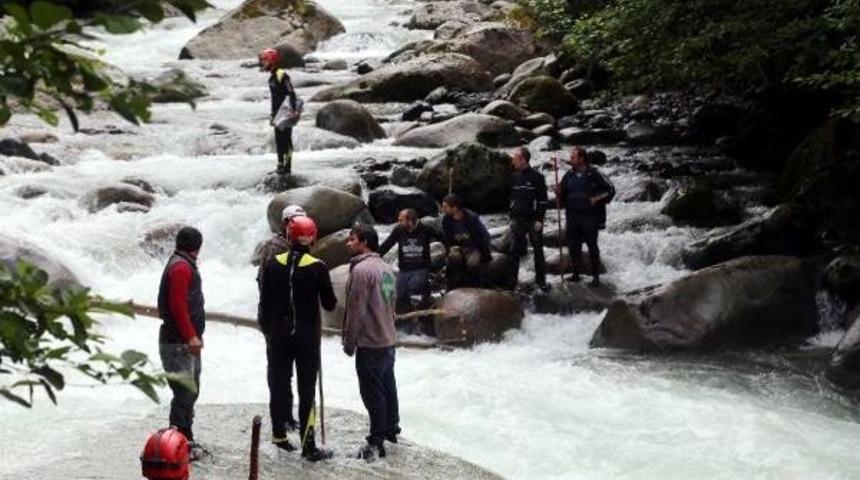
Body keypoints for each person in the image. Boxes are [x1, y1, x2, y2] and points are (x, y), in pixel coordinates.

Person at [259, 216, 337, 461]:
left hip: (278, 335)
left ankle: (279, 436)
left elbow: (264, 303)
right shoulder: (318, 267)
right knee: (306, 390)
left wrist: (268, 332)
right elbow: (330, 303)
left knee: (279, 384)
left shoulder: (272, 264)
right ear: (312, 238)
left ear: (289, 237)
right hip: (306, 336)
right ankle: (308, 444)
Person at [342, 224, 400, 461]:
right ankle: (391, 429)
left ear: (364, 241)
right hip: (388, 338)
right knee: (388, 386)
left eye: (352, 239)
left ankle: (376, 441)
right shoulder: (387, 268)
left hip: (371, 341)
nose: (348, 243)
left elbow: (356, 309)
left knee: (371, 391)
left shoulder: (362, 271)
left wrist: (349, 340)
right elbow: (392, 305)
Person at [254, 204, 306, 433]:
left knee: (288, 370)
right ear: (286, 223)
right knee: (279, 371)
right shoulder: (274, 247)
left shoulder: (297, 245)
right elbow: (265, 284)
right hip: (276, 319)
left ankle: (288, 414)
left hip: (292, 319)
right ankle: (281, 418)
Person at [157, 226, 205, 461]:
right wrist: (191, 336)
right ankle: (179, 440)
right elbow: (177, 305)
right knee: (184, 392)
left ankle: (185, 437)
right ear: (198, 247)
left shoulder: (179, 263)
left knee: (190, 390)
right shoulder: (181, 268)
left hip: (179, 340)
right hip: (178, 342)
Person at [556, 147, 615, 285]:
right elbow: (562, 195)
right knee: (573, 246)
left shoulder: (594, 173)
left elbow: (610, 190)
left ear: (581, 159)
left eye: (573, 158)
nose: (570, 160)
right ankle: (576, 274)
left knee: (592, 246)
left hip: (590, 217)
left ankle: (596, 277)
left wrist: (597, 198)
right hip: (572, 216)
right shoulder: (568, 175)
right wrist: (558, 193)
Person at [378, 208, 443, 311]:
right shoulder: (398, 230)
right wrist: (374, 255)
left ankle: (426, 290)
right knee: (398, 296)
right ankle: (407, 313)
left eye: (401, 220)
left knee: (414, 286)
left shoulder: (426, 229)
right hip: (405, 269)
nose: (398, 223)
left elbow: (442, 237)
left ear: (410, 221)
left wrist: (450, 249)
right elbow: (387, 244)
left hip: (421, 268)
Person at [508, 146, 549, 291]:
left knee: (538, 250)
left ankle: (541, 281)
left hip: (533, 220)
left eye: (515, 158)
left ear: (523, 159)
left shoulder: (537, 177)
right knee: (513, 252)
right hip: (517, 220)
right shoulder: (514, 176)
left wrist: (540, 219)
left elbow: (543, 201)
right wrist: (511, 216)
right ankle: (512, 282)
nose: (513, 161)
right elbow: (510, 199)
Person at [440, 194, 492, 290]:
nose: (443, 209)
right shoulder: (446, 220)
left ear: (454, 208)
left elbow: (485, 236)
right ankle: (454, 285)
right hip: (457, 248)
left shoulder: (472, 218)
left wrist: (484, 252)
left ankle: (477, 286)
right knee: (453, 258)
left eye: (445, 207)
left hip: (473, 248)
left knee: (472, 264)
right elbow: (445, 238)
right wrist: (450, 247)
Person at [260, 48, 298, 175]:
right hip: (277, 114)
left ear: (272, 60)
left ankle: (287, 167)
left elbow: (291, 92)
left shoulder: (282, 74)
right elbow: (273, 100)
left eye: (265, 60)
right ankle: (280, 164)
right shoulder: (271, 79)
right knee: (278, 139)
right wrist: (272, 115)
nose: (263, 63)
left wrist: (293, 110)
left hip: (286, 112)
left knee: (286, 139)